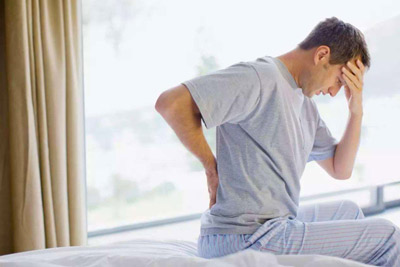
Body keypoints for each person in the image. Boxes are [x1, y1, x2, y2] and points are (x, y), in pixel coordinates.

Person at [155, 17, 399, 266]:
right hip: (244, 236)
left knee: (349, 211)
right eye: (339, 80)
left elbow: (341, 169)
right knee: (388, 236)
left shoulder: (305, 104)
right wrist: (211, 167)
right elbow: (171, 104)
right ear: (322, 55)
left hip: (273, 226)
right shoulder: (261, 77)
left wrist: (355, 110)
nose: (335, 92)